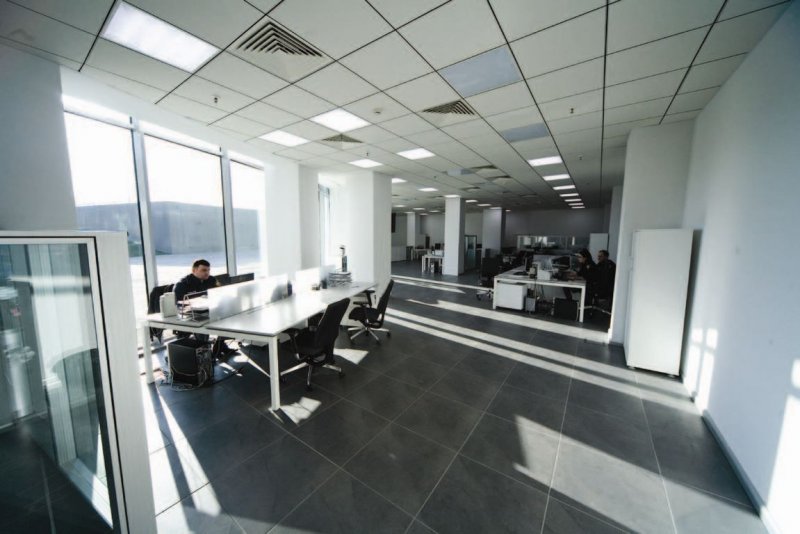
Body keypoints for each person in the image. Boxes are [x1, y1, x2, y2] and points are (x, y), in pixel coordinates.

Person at [174, 259, 236, 358]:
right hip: (191, 314)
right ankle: (205, 355)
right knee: (202, 328)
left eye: (208, 270)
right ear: (194, 270)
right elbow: (179, 304)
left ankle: (220, 345)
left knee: (229, 318)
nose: (207, 273)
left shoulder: (211, 280)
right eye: (203, 270)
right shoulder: (182, 284)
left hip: (209, 309)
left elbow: (220, 293)